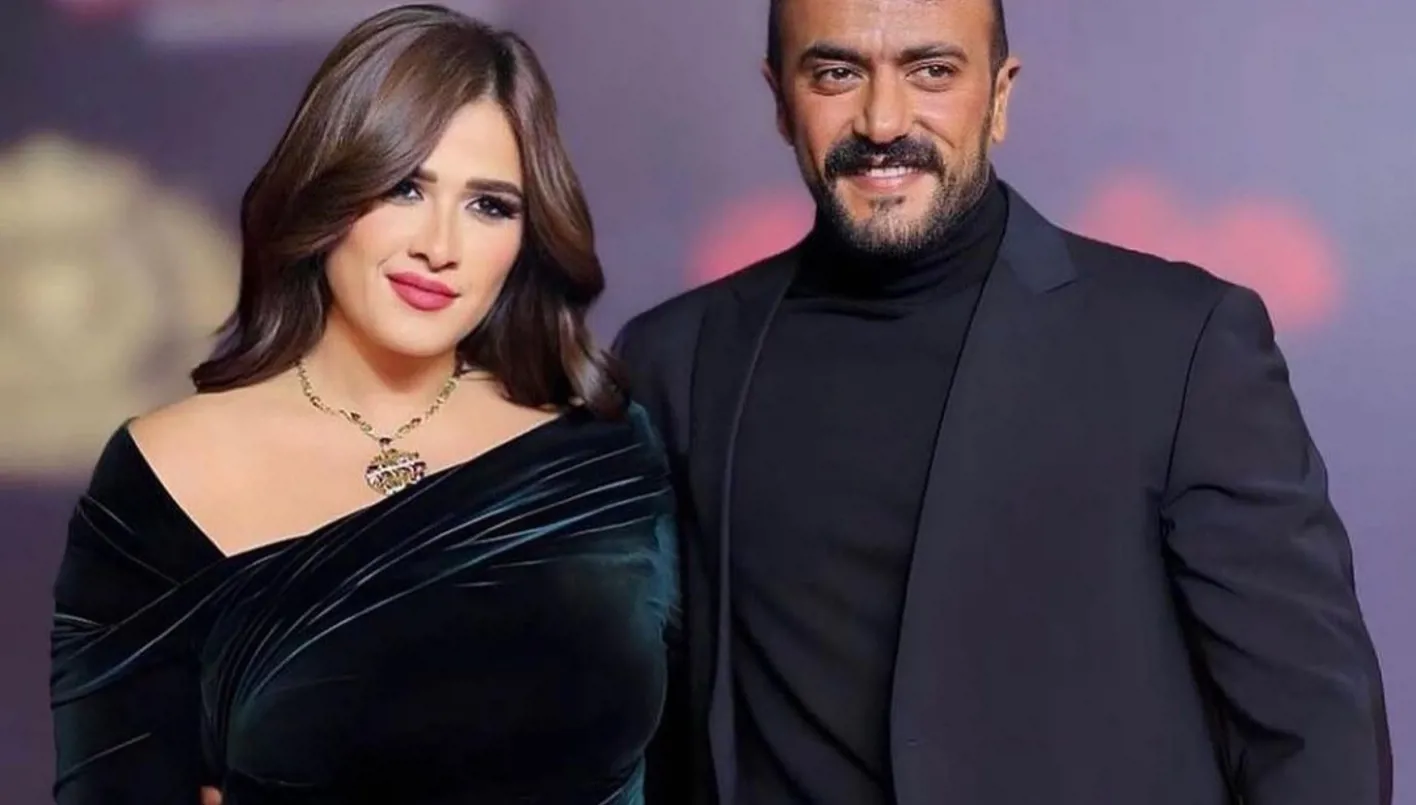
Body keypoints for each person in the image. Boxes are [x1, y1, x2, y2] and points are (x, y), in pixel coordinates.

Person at [616, 0, 1391, 804]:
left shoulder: (1180, 343)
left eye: (931, 71)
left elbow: (1313, 723)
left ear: (999, 96)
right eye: (837, 74)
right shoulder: (675, 360)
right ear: (780, 100)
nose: (883, 121)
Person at [49, 6, 676, 804]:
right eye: (405, 186)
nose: (439, 246)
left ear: (527, 236)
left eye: (489, 205)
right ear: (326, 191)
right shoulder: (164, 472)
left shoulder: (604, 454)